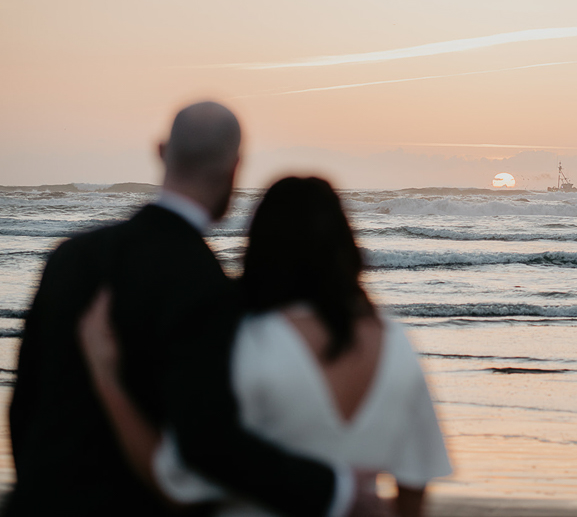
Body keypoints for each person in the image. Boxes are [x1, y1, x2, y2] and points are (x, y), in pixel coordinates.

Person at [4, 102, 372, 517]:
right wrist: (333, 489)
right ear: (235, 167)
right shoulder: (207, 287)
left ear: (161, 151)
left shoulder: (72, 256)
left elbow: (23, 407)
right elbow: (208, 441)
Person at [78, 176, 452, 517]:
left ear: (260, 246)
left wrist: (105, 373)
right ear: (345, 245)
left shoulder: (249, 344)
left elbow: (174, 483)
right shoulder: (397, 345)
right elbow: (413, 490)